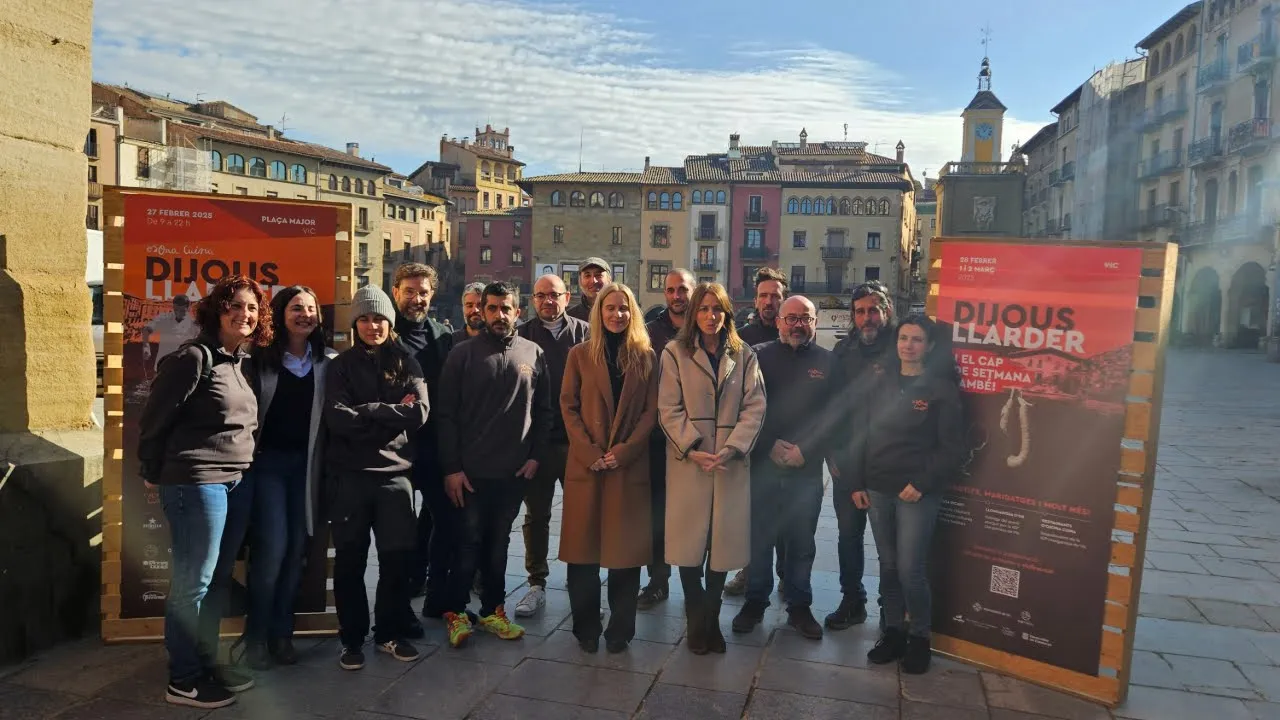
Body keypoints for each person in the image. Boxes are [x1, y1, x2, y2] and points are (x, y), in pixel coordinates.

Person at [137, 275, 269, 709]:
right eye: (234, 305)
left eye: (251, 307)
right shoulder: (193, 357)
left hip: (234, 482)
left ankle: (205, 663)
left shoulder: (235, 361)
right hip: (197, 481)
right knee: (192, 584)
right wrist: (152, 470)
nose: (243, 314)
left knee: (212, 584)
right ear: (216, 310)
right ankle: (184, 680)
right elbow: (155, 417)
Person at [845, 314, 965, 675]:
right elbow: (860, 433)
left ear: (929, 346)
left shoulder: (941, 389)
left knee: (912, 569)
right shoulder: (878, 382)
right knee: (889, 566)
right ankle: (893, 632)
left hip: (916, 492)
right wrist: (855, 482)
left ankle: (919, 638)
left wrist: (923, 483)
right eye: (903, 338)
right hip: (877, 487)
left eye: (916, 339)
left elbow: (953, 448)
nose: (908, 345)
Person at [437, 282, 553, 648]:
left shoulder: (533, 353)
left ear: (518, 311)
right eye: (492, 308)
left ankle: (492, 610)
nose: (499, 315)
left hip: (512, 472)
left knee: (498, 544)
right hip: (469, 474)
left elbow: (545, 411)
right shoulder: (462, 354)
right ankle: (456, 612)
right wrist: (451, 468)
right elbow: (445, 415)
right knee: (467, 542)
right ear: (481, 312)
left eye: (506, 308)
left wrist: (535, 456)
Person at [325, 285, 430, 671]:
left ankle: (389, 633)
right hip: (350, 478)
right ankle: (351, 639)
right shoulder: (340, 366)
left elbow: (418, 412)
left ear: (390, 322)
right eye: (366, 319)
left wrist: (366, 410)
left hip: (395, 479)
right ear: (356, 324)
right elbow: (337, 417)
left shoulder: (407, 363)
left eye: (380, 318)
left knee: (396, 561)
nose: (373, 326)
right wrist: (387, 414)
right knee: (351, 562)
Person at [658, 282, 765, 655]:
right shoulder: (674, 353)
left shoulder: (745, 354)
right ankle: (695, 617)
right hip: (691, 463)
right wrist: (694, 448)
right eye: (703, 309)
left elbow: (755, 406)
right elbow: (668, 409)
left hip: (729, 465)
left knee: (722, 545)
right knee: (690, 544)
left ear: (727, 314)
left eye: (716, 309)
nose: (709, 316)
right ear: (693, 314)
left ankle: (711, 617)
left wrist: (733, 447)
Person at [239, 285, 336, 670]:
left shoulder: (328, 362)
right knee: (272, 550)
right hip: (268, 467)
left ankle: (282, 635)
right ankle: (256, 638)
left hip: (307, 468)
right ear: (280, 314)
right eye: (297, 308)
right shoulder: (258, 358)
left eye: (311, 309)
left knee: (297, 553)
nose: (305, 315)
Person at [560, 283, 658, 653]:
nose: (617, 314)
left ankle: (620, 630)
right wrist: (588, 451)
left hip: (626, 467)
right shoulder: (579, 355)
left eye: (624, 308)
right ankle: (586, 628)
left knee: (625, 558)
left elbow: (652, 411)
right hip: (588, 466)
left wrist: (626, 450)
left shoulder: (646, 357)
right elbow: (567, 406)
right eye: (610, 308)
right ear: (599, 313)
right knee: (583, 556)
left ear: (633, 313)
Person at [733, 295, 834, 640]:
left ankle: (799, 606)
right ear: (778, 322)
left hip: (805, 469)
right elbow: (743, 409)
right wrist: (768, 444)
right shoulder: (756, 357)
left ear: (815, 322)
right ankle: (754, 601)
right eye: (791, 318)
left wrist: (807, 449)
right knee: (759, 539)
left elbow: (836, 416)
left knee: (801, 542)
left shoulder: (828, 362)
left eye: (805, 318)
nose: (797, 324)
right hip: (763, 464)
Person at [513, 274, 589, 618]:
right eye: (541, 295)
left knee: (581, 516)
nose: (548, 301)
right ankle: (536, 583)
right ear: (533, 299)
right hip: (539, 445)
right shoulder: (522, 336)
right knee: (537, 515)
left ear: (567, 296)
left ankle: (582, 586)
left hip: (577, 443)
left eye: (555, 295)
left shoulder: (584, 333)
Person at [824, 281, 896, 631]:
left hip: (890, 467)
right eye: (860, 311)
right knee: (848, 538)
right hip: (849, 466)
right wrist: (842, 470)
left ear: (886, 311)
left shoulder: (904, 350)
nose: (867, 318)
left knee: (889, 545)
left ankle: (890, 606)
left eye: (873, 310)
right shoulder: (842, 352)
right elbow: (833, 413)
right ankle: (853, 601)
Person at [390, 264, 456, 624]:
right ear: (396, 291)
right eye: (410, 291)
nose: (417, 299)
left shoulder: (441, 334)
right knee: (397, 528)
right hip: (395, 446)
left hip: (432, 444)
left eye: (424, 292)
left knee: (442, 520)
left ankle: (435, 594)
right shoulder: (383, 333)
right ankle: (401, 602)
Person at [725, 267, 789, 597]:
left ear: (783, 299)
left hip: (785, 437)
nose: (769, 301)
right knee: (751, 512)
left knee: (784, 513)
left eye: (775, 296)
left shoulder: (791, 333)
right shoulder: (742, 337)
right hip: (751, 438)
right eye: (764, 296)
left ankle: (784, 574)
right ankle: (749, 572)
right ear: (755, 300)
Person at [636, 268, 693, 611]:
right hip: (657, 439)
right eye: (671, 290)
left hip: (693, 438)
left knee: (690, 515)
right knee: (656, 515)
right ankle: (658, 581)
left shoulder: (702, 329)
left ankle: (694, 582)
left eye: (682, 290)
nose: (676, 296)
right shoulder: (649, 333)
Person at [142, 293, 200, 377]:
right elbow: (146, 330)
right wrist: (146, 346)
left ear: (188, 308)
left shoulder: (194, 324)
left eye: (182, 311)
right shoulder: (163, 318)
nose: (178, 313)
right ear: (173, 307)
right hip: (162, 367)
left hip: (183, 370)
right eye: (176, 310)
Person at [567, 257, 610, 322]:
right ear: (580, 281)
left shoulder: (621, 314)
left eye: (598, 275)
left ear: (609, 280)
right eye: (587, 276)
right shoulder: (570, 317)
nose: (593, 281)